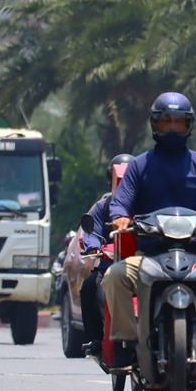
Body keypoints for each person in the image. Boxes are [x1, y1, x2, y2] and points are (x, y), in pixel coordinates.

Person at [102, 92, 196, 377]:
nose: (172, 127)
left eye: (178, 122)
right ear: (154, 125)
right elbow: (121, 200)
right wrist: (119, 216)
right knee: (113, 276)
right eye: (166, 121)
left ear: (189, 125)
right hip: (150, 256)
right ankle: (126, 346)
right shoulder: (139, 165)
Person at [78, 153, 134, 357]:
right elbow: (91, 233)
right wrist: (94, 247)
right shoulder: (103, 206)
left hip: (141, 264)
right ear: (110, 179)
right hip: (109, 265)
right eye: (117, 177)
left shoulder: (144, 203)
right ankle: (96, 338)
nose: (122, 182)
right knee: (88, 287)